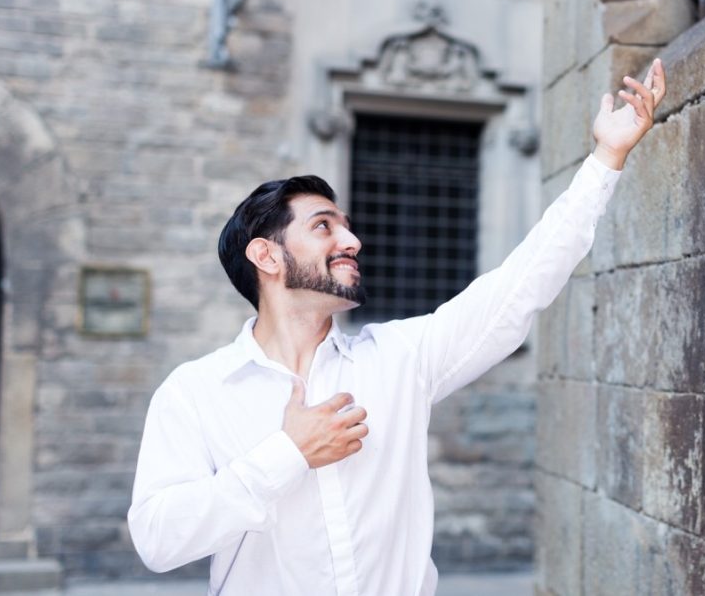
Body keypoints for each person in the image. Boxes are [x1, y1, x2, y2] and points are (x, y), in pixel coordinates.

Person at [127, 60, 667, 596]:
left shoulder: (399, 358)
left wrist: (606, 158)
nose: (351, 241)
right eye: (323, 227)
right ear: (266, 256)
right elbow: (157, 540)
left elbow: (519, 287)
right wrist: (288, 455)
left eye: (347, 226)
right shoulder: (194, 392)